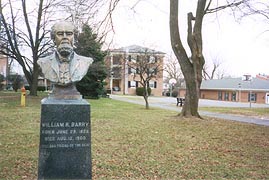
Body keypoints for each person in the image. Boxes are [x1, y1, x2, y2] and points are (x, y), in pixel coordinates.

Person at [38, 21, 93, 99]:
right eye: (60, 34)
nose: (65, 37)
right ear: (54, 39)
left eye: (69, 34)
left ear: (74, 38)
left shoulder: (85, 62)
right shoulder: (43, 62)